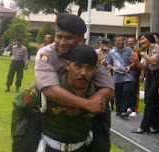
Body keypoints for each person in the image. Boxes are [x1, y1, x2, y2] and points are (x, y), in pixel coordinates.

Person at [34, 13, 115, 152]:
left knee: (101, 143)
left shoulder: (93, 56)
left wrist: (84, 108)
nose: (62, 42)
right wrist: (86, 105)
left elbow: (109, 88)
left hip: (90, 109)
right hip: (55, 108)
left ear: (81, 39)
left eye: (69, 38)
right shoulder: (46, 54)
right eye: (59, 36)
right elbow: (49, 88)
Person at [130, 32, 159, 134]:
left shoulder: (156, 47)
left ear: (149, 38)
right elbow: (145, 67)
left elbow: (154, 62)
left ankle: (144, 127)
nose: (141, 41)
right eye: (140, 40)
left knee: (150, 100)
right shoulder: (147, 50)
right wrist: (137, 62)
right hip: (152, 74)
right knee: (154, 102)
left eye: (143, 39)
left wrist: (141, 53)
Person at [107, 35, 135, 117]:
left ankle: (124, 109)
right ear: (115, 42)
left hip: (128, 75)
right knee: (118, 94)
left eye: (122, 40)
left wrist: (130, 66)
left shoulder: (129, 50)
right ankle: (119, 111)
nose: (120, 42)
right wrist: (113, 68)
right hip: (117, 76)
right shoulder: (112, 52)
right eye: (118, 40)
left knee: (127, 91)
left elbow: (134, 61)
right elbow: (108, 64)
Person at [126, 36, 141, 116]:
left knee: (135, 91)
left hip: (135, 72)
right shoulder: (125, 50)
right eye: (129, 41)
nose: (130, 42)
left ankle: (134, 109)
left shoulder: (138, 51)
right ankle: (127, 107)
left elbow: (141, 63)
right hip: (126, 72)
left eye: (132, 41)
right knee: (127, 90)